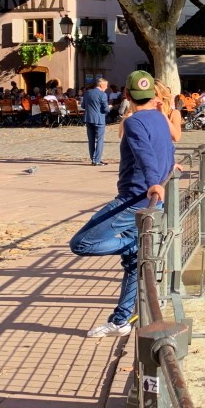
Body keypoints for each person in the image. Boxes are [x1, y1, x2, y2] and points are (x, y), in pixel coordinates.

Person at [69, 70, 176, 338]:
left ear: (126, 95)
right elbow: (165, 149)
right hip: (149, 200)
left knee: (82, 243)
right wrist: (169, 169)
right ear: (152, 95)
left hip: (133, 200)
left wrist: (154, 181)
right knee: (132, 263)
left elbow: (144, 153)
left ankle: (130, 245)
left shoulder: (134, 122)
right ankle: (120, 320)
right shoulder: (159, 117)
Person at [81, 78, 110, 166]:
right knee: (100, 140)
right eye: (106, 85)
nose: (107, 87)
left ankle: (93, 158)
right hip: (99, 119)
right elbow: (106, 109)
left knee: (91, 140)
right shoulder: (103, 94)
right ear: (101, 85)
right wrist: (109, 108)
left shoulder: (87, 93)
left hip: (88, 118)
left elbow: (83, 106)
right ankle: (97, 160)